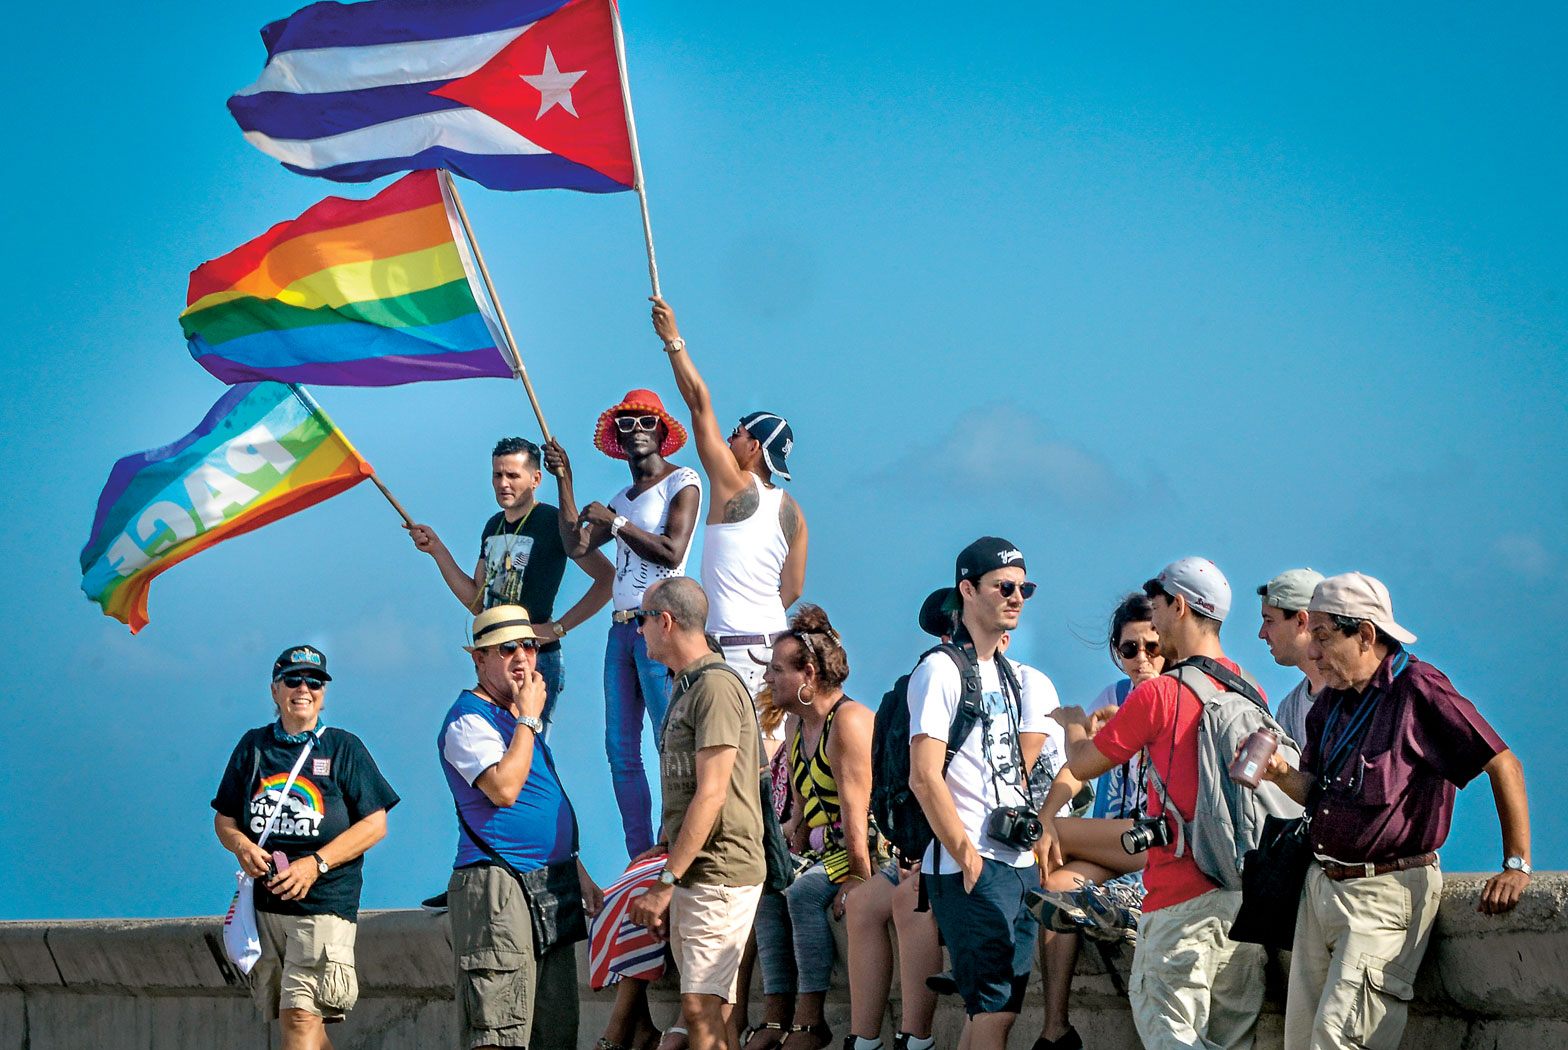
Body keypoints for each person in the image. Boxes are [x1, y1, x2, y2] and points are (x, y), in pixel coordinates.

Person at [1245, 572, 1531, 1050]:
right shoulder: (1329, 703)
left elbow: (1503, 764)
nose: (1311, 652)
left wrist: (1516, 865)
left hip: (1384, 890)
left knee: (1339, 1043)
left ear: (1365, 634)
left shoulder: (1418, 688)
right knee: (1300, 1042)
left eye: (1322, 637)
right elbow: (1316, 792)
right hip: (1321, 891)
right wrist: (1279, 773)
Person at [1057, 558, 1267, 1050]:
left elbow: (1085, 764)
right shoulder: (1248, 688)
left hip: (1179, 904)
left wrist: (1072, 725)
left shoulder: (1158, 696)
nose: (1154, 624)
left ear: (1179, 607)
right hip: (1241, 901)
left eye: (1157, 610)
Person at [907, 538, 1057, 1050]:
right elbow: (923, 776)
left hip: (1015, 863)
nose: (1016, 597)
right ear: (967, 590)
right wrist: (967, 857)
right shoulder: (941, 670)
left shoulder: (1012, 676)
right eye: (1004, 587)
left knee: (998, 1011)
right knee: (993, 1009)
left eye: (1024, 588)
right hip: (969, 865)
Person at [212, 645, 399, 1050]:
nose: (304, 689)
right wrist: (242, 846)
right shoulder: (254, 747)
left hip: (322, 906)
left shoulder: (342, 748)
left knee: (299, 1018)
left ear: (324, 693)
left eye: (314, 682)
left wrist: (315, 864)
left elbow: (375, 823)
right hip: (265, 912)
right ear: (275, 690)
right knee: (305, 1026)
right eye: (293, 680)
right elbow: (224, 819)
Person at [437, 605, 604, 1050]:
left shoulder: (515, 723)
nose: (522, 658)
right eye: (506, 648)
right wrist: (530, 717)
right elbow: (505, 790)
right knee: (499, 1029)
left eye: (529, 646)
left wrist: (577, 871)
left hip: (548, 883)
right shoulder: (468, 720)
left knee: (555, 1029)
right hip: (498, 885)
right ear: (479, 659)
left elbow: (539, 803)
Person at [544, 391, 703, 858]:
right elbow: (576, 546)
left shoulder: (684, 481)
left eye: (645, 421)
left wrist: (616, 525)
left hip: (661, 624)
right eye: (627, 422)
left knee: (668, 739)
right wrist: (565, 480)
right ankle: (641, 854)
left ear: (661, 431)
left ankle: (674, 839)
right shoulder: (620, 499)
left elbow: (673, 552)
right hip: (621, 629)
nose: (636, 429)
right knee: (619, 748)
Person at [650, 297, 808, 744]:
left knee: (716, 760)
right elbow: (792, 589)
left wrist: (672, 340)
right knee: (771, 764)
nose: (729, 438)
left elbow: (700, 405)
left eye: (738, 433)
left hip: (729, 649)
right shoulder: (794, 511)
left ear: (755, 447)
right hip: (774, 645)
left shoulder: (733, 484)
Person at [628, 577, 767, 1050]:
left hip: (720, 871)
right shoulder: (688, 688)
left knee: (700, 1009)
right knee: (716, 1012)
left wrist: (665, 884)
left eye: (640, 619)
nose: (638, 631)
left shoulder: (714, 687)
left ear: (664, 621)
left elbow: (711, 794)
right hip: (698, 871)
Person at [404, 437, 615, 735]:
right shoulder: (493, 525)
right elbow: (478, 602)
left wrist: (557, 628)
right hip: (495, 656)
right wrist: (438, 551)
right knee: (496, 745)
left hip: (535, 657)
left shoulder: (553, 521)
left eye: (513, 475)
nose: (503, 483)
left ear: (536, 479)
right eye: (497, 475)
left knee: (529, 749)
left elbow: (607, 579)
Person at [1029, 593, 1163, 1050]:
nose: (1142, 658)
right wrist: (1047, 815)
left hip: (1154, 839)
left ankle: (992, 935)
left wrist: (1074, 726)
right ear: (1116, 651)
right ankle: (1055, 1028)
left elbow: (1078, 755)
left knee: (1040, 836)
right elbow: (1075, 769)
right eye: (1130, 649)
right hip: (1112, 840)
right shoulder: (1113, 696)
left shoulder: (1176, 693)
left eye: (1152, 647)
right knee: (1057, 889)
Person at [746, 606, 873, 1050]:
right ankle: (775, 1015)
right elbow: (799, 818)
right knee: (769, 886)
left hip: (862, 850)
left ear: (809, 675)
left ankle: (810, 1020)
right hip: (821, 850)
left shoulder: (849, 722)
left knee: (802, 893)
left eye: (777, 671)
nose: (767, 680)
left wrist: (859, 878)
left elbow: (858, 817)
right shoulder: (799, 725)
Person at [1255, 568, 1327, 749]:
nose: (1262, 634)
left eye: (1269, 621)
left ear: (1302, 621)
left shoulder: (1360, 692)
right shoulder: (1289, 710)